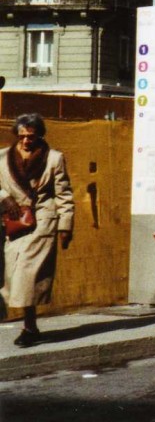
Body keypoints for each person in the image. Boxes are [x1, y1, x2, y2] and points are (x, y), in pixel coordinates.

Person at [0, 113, 74, 348]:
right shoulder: (2, 158)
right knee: (13, 275)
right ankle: (29, 325)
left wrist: (65, 226)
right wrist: (5, 198)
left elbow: (64, 195)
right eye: (21, 136)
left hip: (42, 222)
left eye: (30, 136)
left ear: (39, 135)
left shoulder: (54, 159)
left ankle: (29, 327)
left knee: (26, 276)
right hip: (15, 224)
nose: (25, 141)